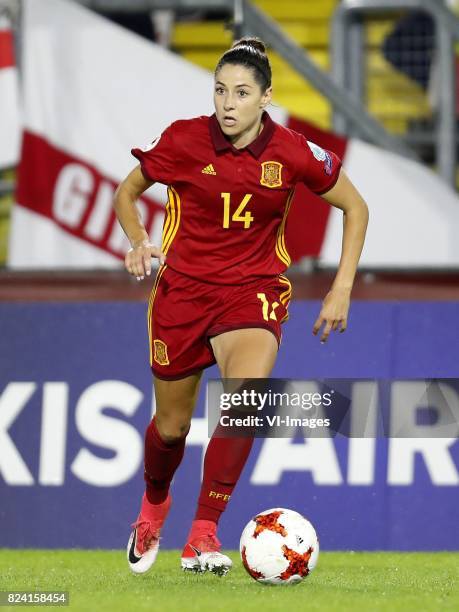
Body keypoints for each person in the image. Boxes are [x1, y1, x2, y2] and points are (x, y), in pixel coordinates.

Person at [113, 37, 369, 576]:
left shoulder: (294, 151)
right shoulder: (183, 139)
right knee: (171, 429)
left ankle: (203, 534)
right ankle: (155, 501)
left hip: (252, 290)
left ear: (266, 97)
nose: (228, 104)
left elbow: (355, 206)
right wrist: (138, 239)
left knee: (246, 401)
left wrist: (342, 285)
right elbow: (127, 191)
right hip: (182, 293)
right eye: (220, 90)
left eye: (242, 93)